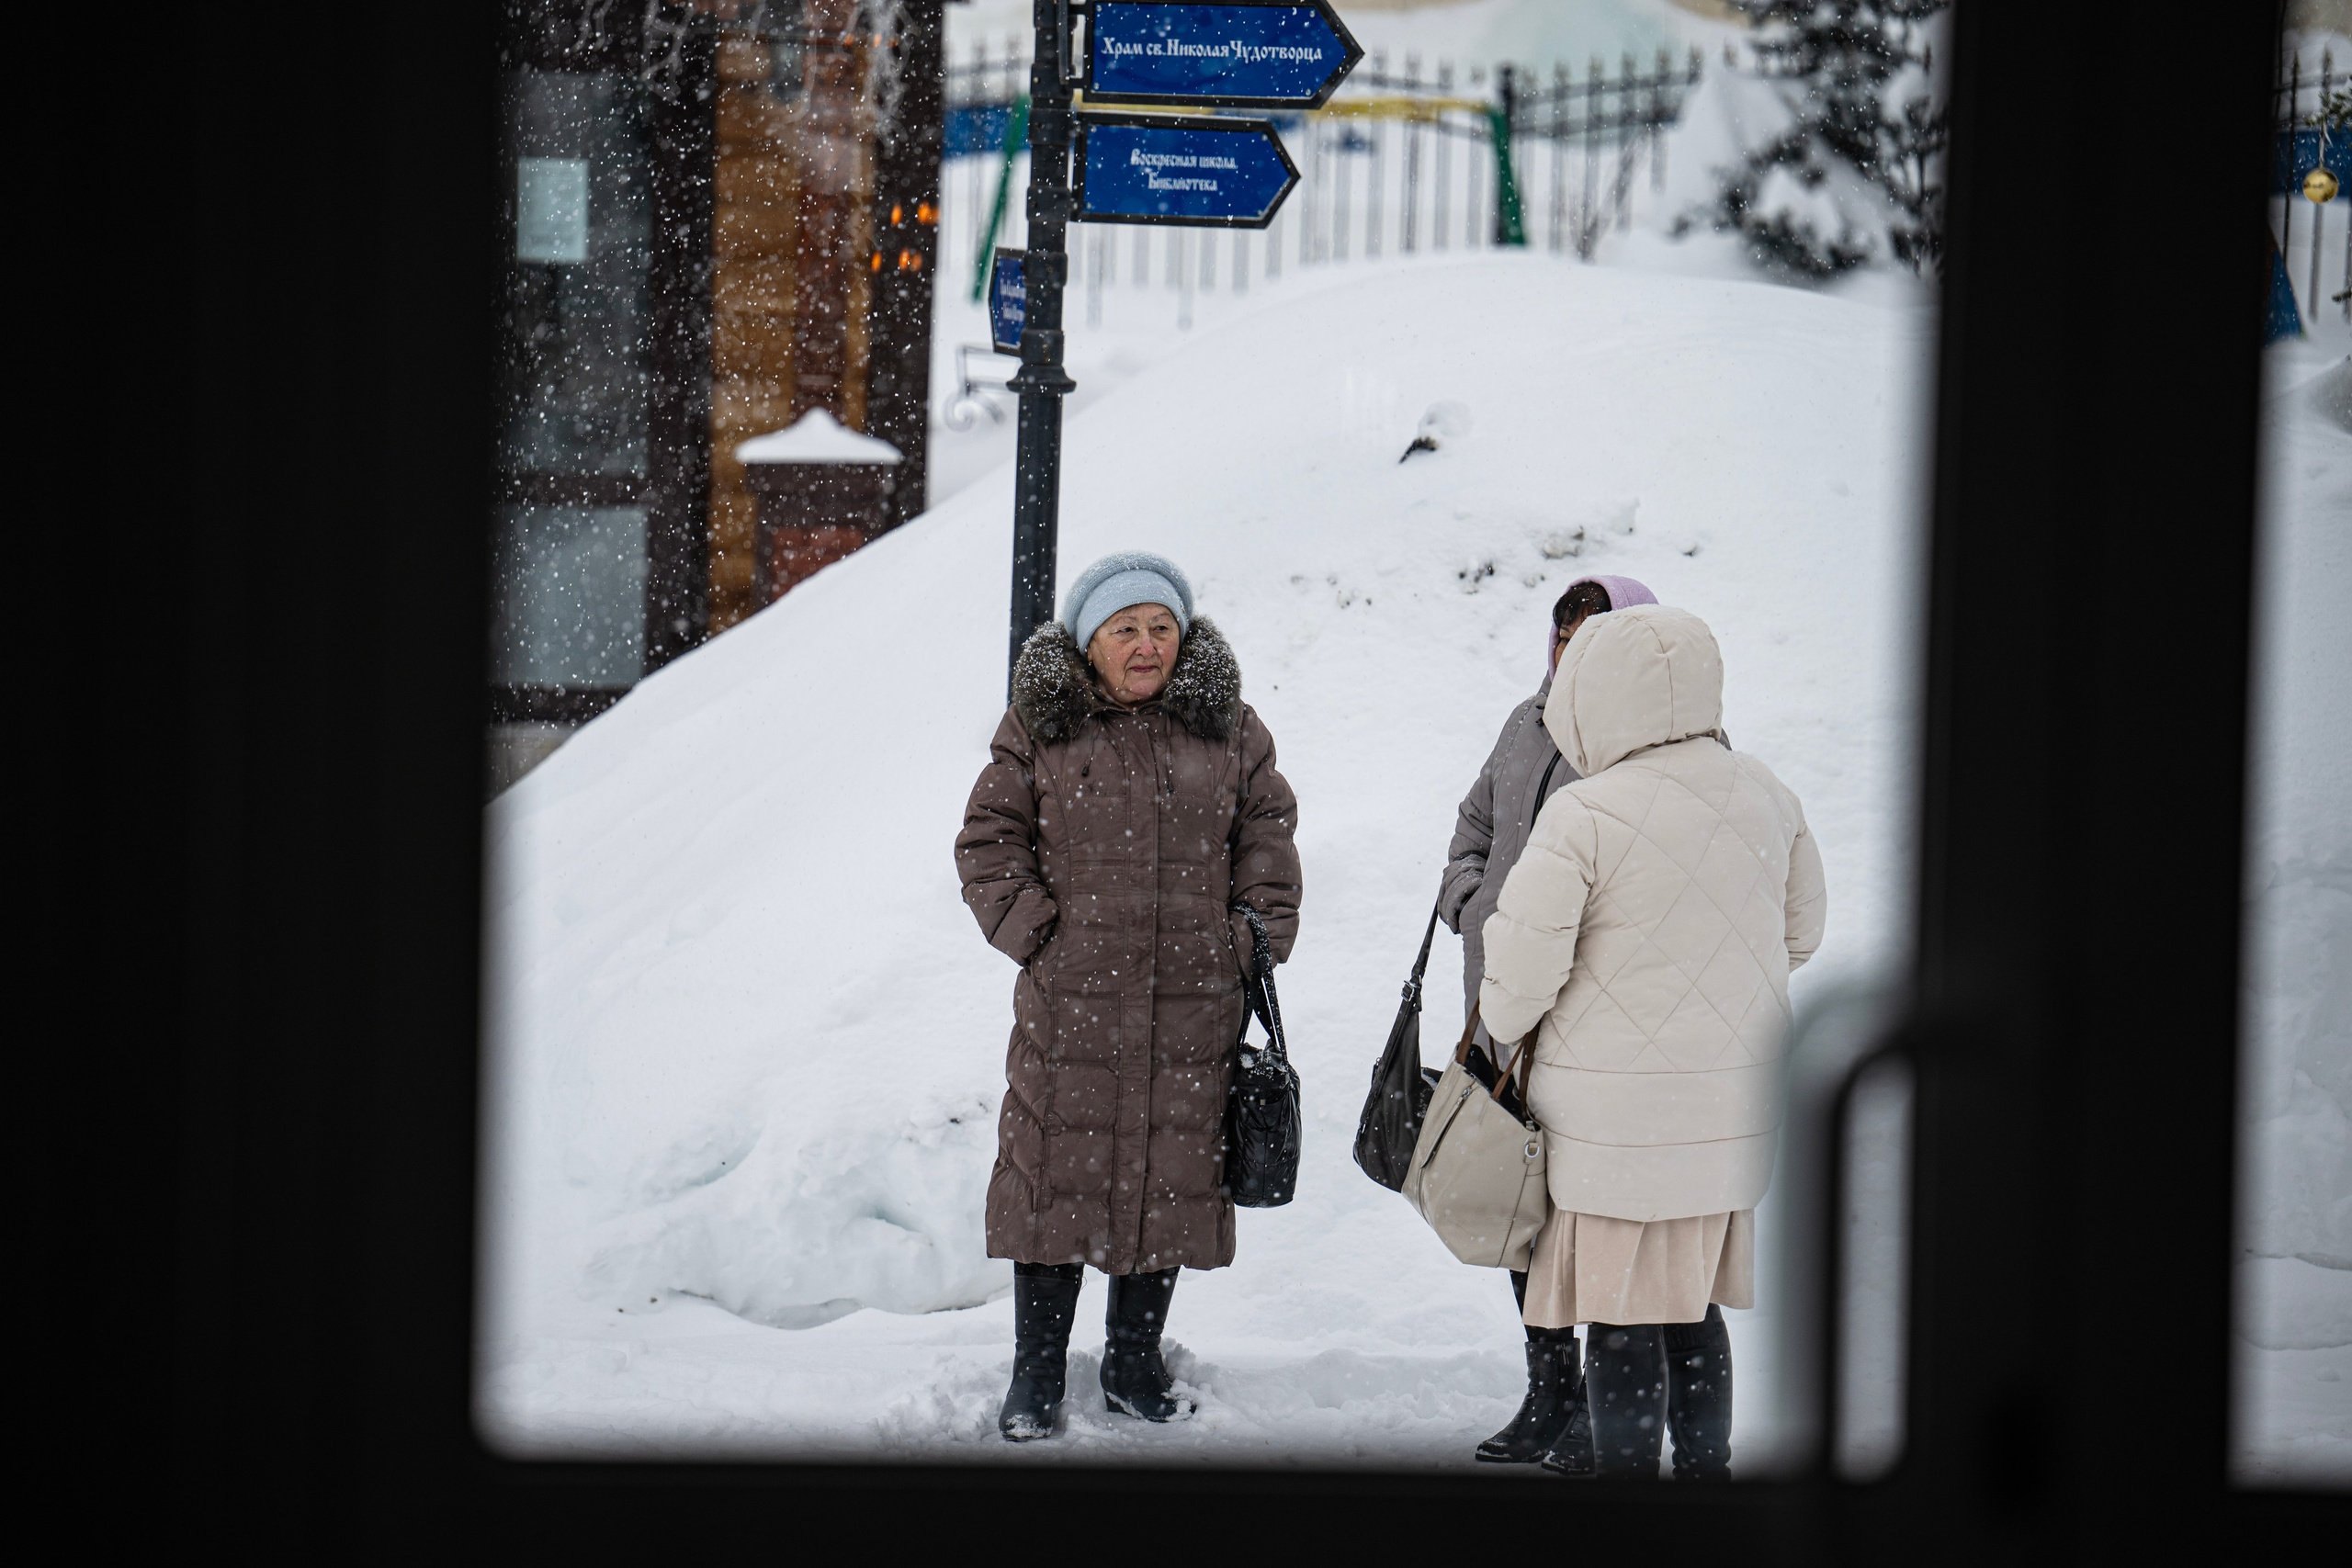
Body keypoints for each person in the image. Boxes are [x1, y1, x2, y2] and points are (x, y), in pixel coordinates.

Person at [956, 551, 1303, 1442]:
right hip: (1073, 1007)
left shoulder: (1230, 730)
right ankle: (1036, 1371)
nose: (1146, 646)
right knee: (1052, 1182)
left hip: (1192, 1004)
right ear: (1088, 643)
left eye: (1160, 627)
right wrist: (1037, 933)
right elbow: (989, 839)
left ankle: (1134, 1360)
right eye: (1125, 629)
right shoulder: (1041, 727)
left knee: (1167, 1178)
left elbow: (1267, 833)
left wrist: (1249, 938)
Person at [1479, 604, 1826, 1481]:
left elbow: (1518, 977)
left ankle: (1626, 1503)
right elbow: (1803, 932)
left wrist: (1506, 1036)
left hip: (1611, 1123)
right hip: (1732, 1108)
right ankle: (1706, 1479)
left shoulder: (1585, 815)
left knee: (1622, 1314)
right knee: (1693, 1305)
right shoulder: (1767, 792)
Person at [1438, 573, 1657, 1468]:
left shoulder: (1648, 741)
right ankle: (1550, 1389)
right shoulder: (1523, 724)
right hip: (1499, 1014)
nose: (1572, 653)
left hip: (1588, 1024)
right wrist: (1469, 905)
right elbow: (1472, 827)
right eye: (1564, 636)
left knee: (1586, 1217)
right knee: (1520, 1208)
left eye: (1594, 637)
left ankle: (1598, 1409)